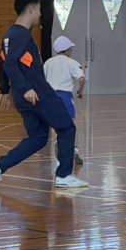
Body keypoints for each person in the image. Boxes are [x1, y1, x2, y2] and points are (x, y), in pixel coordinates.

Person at [0, 0, 88, 190]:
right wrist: (26, 88)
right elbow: (10, 65)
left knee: (38, 139)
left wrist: (6, 90)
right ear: (31, 10)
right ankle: (64, 176)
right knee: (67, 128)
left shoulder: (10, 34)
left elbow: (3, 61)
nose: (40, 14)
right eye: (39, 10)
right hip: (38, 94)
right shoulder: (22, 35)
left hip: (25, 97)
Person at [43, 35, 86, 165]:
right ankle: (74, 150)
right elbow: (82, 78)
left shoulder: (48, 63)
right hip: (65, 97)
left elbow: (42, 79)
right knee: (71, 124)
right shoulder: (72, 63)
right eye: (71, 50)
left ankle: (57, 142)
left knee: (55, 123)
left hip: (50, 97)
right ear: (67, 50)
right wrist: (80, 90)